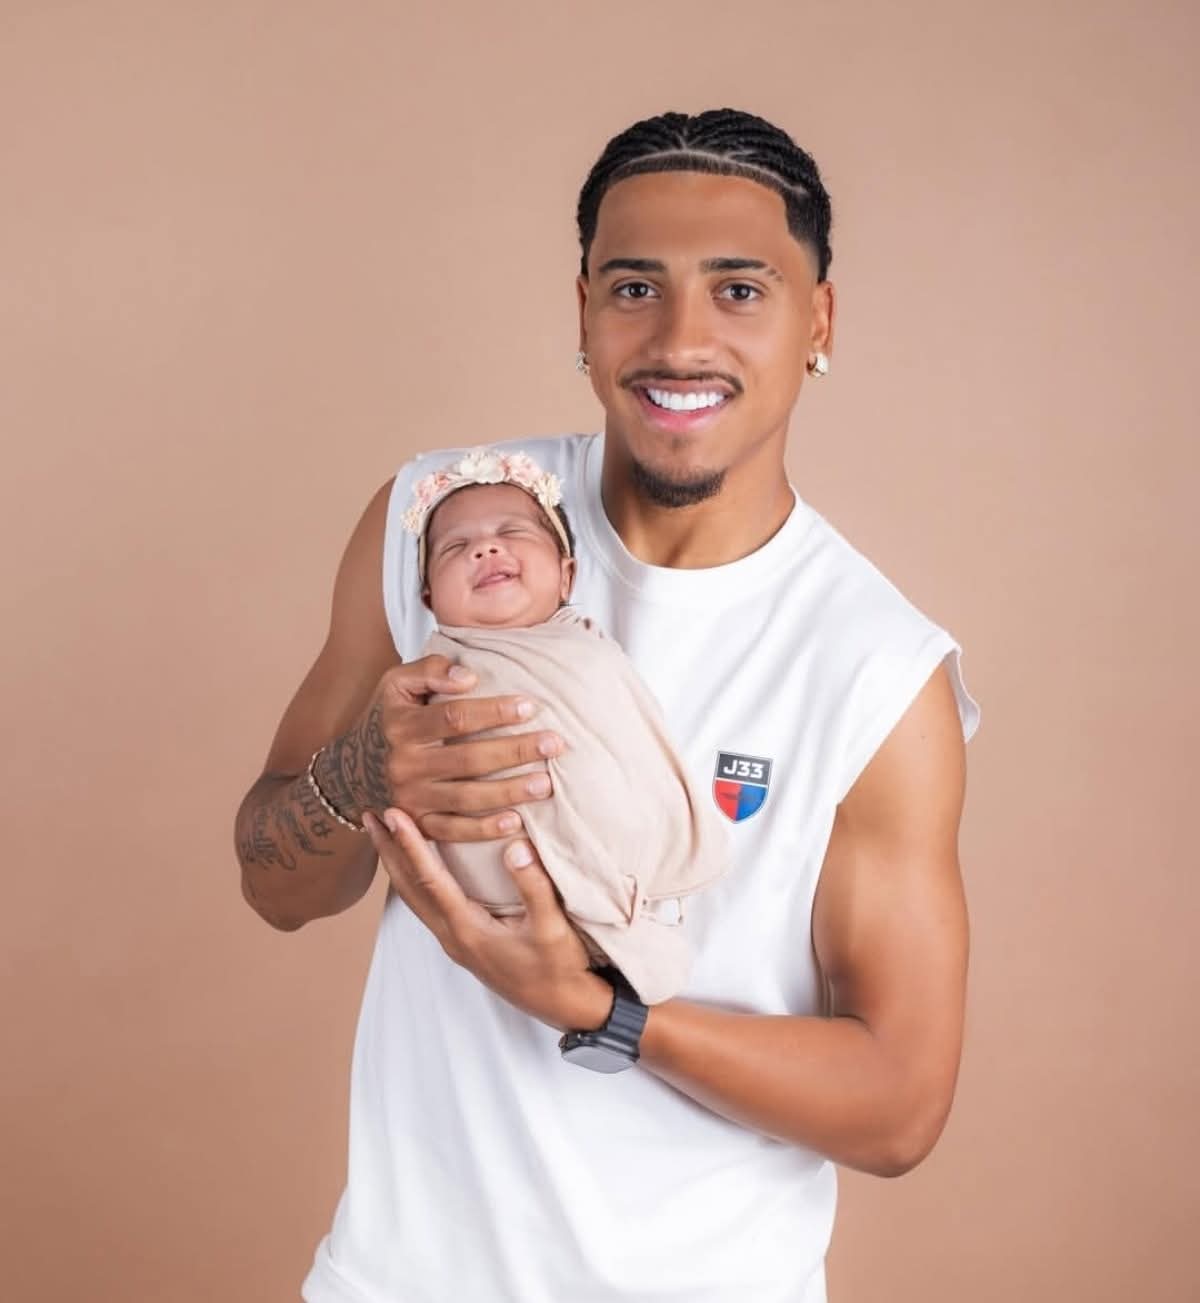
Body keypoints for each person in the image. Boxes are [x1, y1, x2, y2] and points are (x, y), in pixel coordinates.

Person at [233, 107, 981, 1303]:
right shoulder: (444, 524)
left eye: (739, 290)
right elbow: (277, 889)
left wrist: (597, 1010)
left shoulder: (873, 668)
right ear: (583, 310)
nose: (680, 340)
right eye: (636, 288)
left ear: (819, 322)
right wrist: (359, 773)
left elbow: (897, 1107)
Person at [400, 442, 731, 1004]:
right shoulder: (443, 674)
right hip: (503, 885)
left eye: (512, 532)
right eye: (455, 547)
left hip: (632, 875)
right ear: (429, 597)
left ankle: (618, 924)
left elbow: (640, 739)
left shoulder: (590, 647)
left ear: (565, 575)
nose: (485, 548)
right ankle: (596, 925)